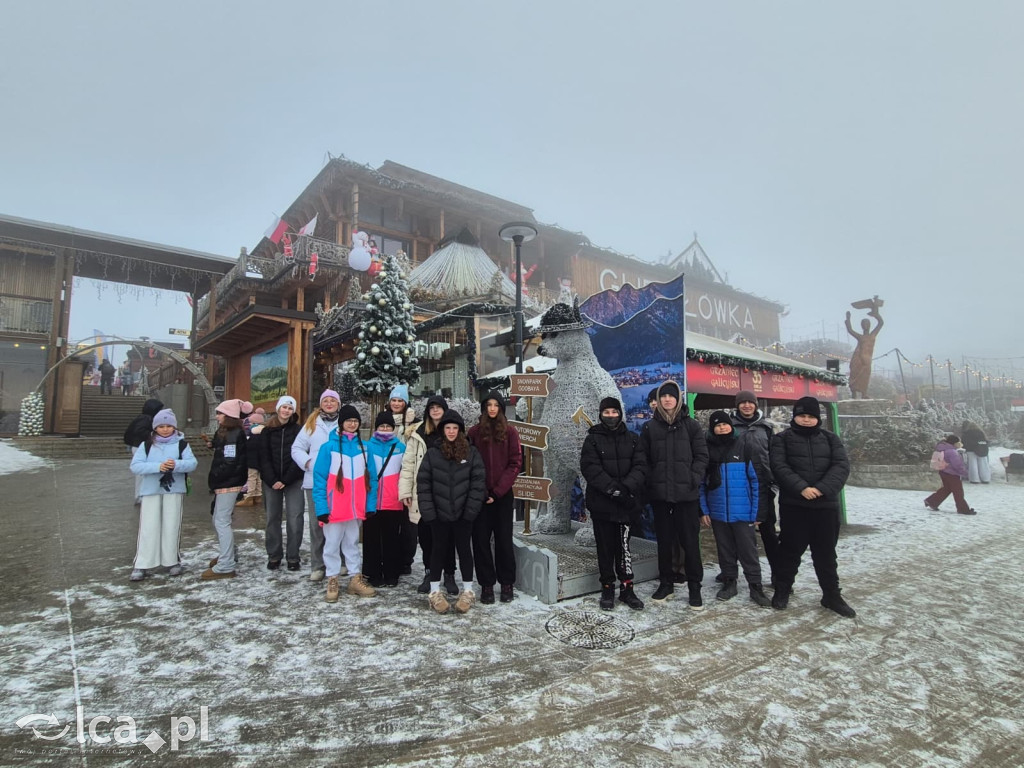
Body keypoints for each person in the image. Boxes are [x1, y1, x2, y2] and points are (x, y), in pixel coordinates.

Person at [770, 397, 855, 617]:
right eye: (802, 415)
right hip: (794, 505)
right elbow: (779, 466)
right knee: (789, 551)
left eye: (810, 416)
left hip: (825, 506)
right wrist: (801, 488)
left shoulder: (830, 439)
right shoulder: (782, 439)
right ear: (795, 416)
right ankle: (783, 589)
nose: (806, 420)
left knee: (826, 554)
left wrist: (821, 489)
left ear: (817, 418)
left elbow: (841, 466)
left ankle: (831, 595)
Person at [640, 380, 709, 610]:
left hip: (686, 497)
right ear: (658, 400)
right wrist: (651, 482)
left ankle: (695, 587)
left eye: (671, 396)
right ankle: (666, 583)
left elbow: (702, 456)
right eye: (663, 396)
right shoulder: (650, 428)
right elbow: (643, 459)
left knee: (690, 544)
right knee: (665, 543)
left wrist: (693, 478)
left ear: (678, 399)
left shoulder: (691, 426)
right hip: (660, 496)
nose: (667, 400)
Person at [416, 409, 487, 614]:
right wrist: (429, 513)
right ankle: (435, 592)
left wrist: (470, 511)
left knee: (465, 550)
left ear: (461, 430)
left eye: (455, 428)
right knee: (437, 551)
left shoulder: (471, 452)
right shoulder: (433, 453)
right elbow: (424, 484)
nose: (451, 431)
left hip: (463, 514)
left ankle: (468, 591)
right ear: (442, 429)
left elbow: (478, 482)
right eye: (447, 427)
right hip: (438, 515)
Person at [580, 396, 646, 611]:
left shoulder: (633, 439)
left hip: (625, 503)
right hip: (602, 503)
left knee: (624, 549)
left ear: (620, 413)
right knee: (605, 549)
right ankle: (607, 587)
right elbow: (590, 467)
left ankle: (627, 588)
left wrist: (625, 488)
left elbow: (640, 466)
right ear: (601, 414)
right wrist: (611, 488)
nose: (611, 416)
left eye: (614, 412)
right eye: (606, 412)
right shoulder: (592, 440)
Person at [699, 411, 771, 607]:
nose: (721, 428)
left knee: (748, 550)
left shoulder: (745, 446)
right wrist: (704, 510)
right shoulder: (707, 449)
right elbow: (702, 484)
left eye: (724, 424)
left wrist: (757, 511)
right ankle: (729, 581)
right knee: (725, 548)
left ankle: (755, 585)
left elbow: (757, 481)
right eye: (717, 425)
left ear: (731, 425)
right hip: (718, 510)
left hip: (743, 510)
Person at [312, 404, 377, 602]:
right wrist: (322, 508)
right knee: (331, 544)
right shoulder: (328, 447)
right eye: (349, 420)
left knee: (352, 543)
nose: (352, 424)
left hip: (355, 508)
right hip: (335, 508)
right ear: (342, 423)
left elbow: (372, 479)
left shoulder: (365, 447)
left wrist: (370, 505)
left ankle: (355, 578)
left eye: (355, 421)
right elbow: (320, 478)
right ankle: (332, 578)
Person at [399, 394, 458, 596]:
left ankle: (449, 573)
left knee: (448, 537)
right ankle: (430, 572)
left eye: (438, 407)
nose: (435, 410)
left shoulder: (452, 431)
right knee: (426, 537)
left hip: (447, 494)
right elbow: (408, 465)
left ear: (444, 409)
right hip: (423, 493)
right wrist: (405, 491)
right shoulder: (418, 434)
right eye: (431, 407)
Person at [128, 409, 197, 581]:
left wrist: (176, 465)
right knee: (148, 526)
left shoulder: (182, 444)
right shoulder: (147, 445)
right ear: (155, 428)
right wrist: (158, 467)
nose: (165, 429)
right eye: (161, 426)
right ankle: (143, 563)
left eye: (168, 426)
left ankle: (171, 560)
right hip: (151, 489)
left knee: (172, 525)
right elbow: (136, 466)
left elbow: (192, 463)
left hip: (174, 489)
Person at [467, 391, 523, 604]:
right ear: (484, 408)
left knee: (503, 541)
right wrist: (482, 492)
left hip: (502, 497)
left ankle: (507, 583)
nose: (492, 408)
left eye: (495, 405)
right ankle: (487, 585)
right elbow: (469, 463)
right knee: (480, 542)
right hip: (479, 497)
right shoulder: (474, 432)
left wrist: (498, 491)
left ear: (501, 408)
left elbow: (515, 463)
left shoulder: (510, 432)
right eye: (488, 404)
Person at [291, 390, 344, 583]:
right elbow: (296, 448)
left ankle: (341, 562)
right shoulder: (311, 424)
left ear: (338, 404)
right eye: (326, 401)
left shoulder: (344, 423)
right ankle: (318, 565)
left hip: (340, 482)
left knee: (340, 522)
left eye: (333, 401)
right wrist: (309, 463)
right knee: (317, 524)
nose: (329, 404)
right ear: (321, 404)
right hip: (315, 482)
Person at [730, 390, 778, 585]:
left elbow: (774, 455)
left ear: (756, 405)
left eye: (750, 402)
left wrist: (773, 482)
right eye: (743, 403)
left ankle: (778, 573)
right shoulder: (730, 426)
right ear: (737, 405)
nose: (747, 406)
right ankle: (729, 571)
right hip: (739, 488)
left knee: (768, 533)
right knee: (735, 531)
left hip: (763, 486)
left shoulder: (765, 428)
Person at [202, 399, 253, 580]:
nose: (217, 416)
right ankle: (228, 553)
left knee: (221, 521)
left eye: (220, 413)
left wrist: (217, 477)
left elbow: (230, 461)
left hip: (228, 483)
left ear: (229, 416)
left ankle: (226, 564)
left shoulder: (233, 434)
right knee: (218, 519)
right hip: (225, 482)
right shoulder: (226, 432)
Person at [257, 396, 305, 571]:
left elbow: (300, 455)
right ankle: (274, 555)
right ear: (278, 409)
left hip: (293, 480)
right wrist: (273, 479)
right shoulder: (266, 431)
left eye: (290, 408)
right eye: (284, 407)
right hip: (271, 481)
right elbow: (263, 457)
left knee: (295, 518)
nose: (286, 410)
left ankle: (293, 556)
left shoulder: (299, 430)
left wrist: (286, 479)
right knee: (272, 518)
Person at [364, 412, 407, 587]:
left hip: (392, 501)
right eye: (381, 426)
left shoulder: (401, 447)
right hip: (371, 501)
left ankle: (392, 573)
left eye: (388, 426)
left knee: (391, 539)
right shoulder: (367, 447)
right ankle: (373, 573)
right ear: (376, 428)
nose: (385, 429)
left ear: (393, 428)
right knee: (372, 539)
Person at [387, 384, 419, 575]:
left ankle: (406, 560)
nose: (397, 403)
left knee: (409, 524)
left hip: (408, 477)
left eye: (400, 400)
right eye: (394, 400)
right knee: (392, 521)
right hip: (389, 477)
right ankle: (391, 556)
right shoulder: (384, 421)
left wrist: (408, 425)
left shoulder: (414, 422)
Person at [123, 398, 165, 505]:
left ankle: (142, 495)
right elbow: (139, 430)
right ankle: (140, 496)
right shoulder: (147, 418)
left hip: (140, 446)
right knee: (142, 473)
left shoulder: (145, 417)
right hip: (141, 447)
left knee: (143, 473)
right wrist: (153, 435)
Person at [924, 435, 977, 515]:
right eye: (958, 442)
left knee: (947, 489)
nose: (959, 444)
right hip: (952, 474)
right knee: (958, 492)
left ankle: (932, 501)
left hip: (943, 472)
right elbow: (957, 464)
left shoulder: (942, 448)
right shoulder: (952, 452)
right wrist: (964, 472)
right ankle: (963, 509)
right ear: (954, 443)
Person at [238, 409, 266, 507]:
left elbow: (248, 447)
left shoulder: (252, 434)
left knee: (251, 478)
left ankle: (249, 497)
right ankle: (258, 496)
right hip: (261, 461)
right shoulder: (264, 433)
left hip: (252, 460)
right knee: (258, 478)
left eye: (250, 422)